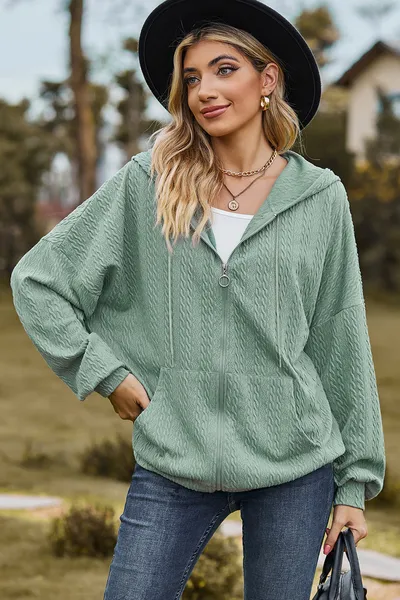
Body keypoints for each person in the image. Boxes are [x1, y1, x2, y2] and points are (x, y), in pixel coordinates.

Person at [10, 1, 386, 599]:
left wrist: (353, 486)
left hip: (295, 466)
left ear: (267, 80)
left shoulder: (320, 196)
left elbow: (341, 337)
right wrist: (104, 373)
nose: (204, 90)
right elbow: (39, 280)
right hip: (174, 460)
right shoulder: (150, 182)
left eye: (224, 69)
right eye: (191, 78)